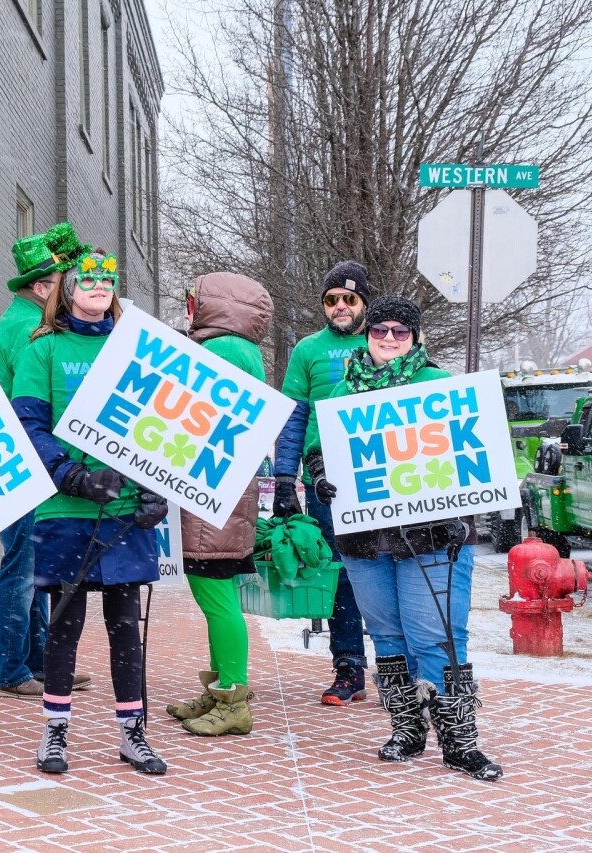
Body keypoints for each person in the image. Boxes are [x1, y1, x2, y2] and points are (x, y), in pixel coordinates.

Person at [304, 296, 502, 782]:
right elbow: (318, 445)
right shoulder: (339, 390)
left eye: (400, 330)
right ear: (366, 333)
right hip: (366, 539)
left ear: (416, 336)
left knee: (438, 636)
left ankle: (460, 742)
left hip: (432, 535)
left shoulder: (437, 384)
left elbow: (468, 448)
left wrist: (465, 506)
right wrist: (321, 474)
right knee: (389, 636)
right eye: (380, 330)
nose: (389, 338)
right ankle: (407, 730)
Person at [12, 252, 169, 776]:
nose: (99, 285)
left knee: (126, 625)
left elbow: (162, 426)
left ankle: (132, 734)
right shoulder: (45, 349)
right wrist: (72, 477)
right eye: (89, 279)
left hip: (124, 511)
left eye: (108, 279)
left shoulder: (135, 349)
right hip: (66, 508)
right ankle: (54, 733)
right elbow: (29, 429)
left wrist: (157, 489)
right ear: (69, 289)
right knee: (65, 624)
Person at [0, 222, 92, 700]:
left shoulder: (16, 324)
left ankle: (37, 660)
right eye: (62, 284)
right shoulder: (26, 330)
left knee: (31, 563)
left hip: (21, 460)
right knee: (23, 565)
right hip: (21, 462)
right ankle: (10, 668)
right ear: (43, 287)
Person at [165, 272, 271, 736]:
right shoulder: (239, 349)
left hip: (209, 496)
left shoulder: (221, 350)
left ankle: (233, 697)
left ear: (215, 304)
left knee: (216, 597)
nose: (189, 306)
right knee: (216, 595)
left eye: (194, 299)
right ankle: (220, 691)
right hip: (223, 493)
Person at [272, 261, 371, 704]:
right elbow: (293, 419)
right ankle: (348, 666)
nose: (340, 307)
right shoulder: (308, 350)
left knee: (389, 570)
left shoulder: (386, 340)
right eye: (332, 300)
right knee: (341, 573)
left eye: (349, 299)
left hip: (380, 476)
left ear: (364, 302)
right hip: (323, 479)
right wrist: (282, 480)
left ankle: (399, 667)